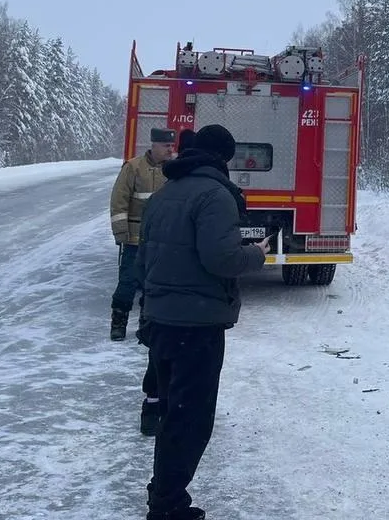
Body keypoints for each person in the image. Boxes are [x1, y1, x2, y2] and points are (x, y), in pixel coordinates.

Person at [136, 124, 268, 520]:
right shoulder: (216, 196)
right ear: (224, 158)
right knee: (190, 419)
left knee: (172, 413)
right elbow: (221, 259)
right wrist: (255, 254)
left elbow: (142, 259)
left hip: (161, 320)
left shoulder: (164, 194)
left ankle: (163, 492)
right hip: (195, 326)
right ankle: (167, 505)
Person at [135, 127, 203, 437]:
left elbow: (146, 248)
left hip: (159, 290)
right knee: (185, 364)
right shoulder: (196, 190)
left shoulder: (165, 190)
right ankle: (171, 415)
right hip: (184, 299)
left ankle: (152, 410)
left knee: (159, 356)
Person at [109, 127, 177, 340]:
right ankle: (118, 322)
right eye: (166, 146)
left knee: (153, 284)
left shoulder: (174, 170)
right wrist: (121, 232)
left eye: (171, 145)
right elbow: (118, 201)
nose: (170, 149)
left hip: (162, 240)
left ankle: (146, 325)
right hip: (134, 239)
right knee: (128, 282)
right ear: (154, 145)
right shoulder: (133, 167)